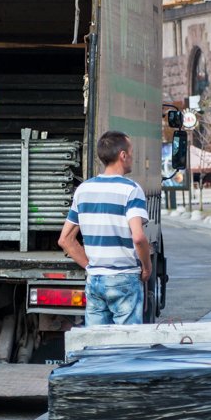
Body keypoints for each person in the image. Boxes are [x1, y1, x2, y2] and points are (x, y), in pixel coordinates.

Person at [58, 131, 153, 326]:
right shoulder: (131, 190)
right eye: (132, 153)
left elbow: (65, 240)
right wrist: (147, 267)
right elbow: (138, 238)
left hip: (95, 280)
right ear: (123, 155)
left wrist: (91, 266)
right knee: (126, 345)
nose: (132, 158)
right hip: (124, 278)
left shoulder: (83, 189)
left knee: (96, 345)